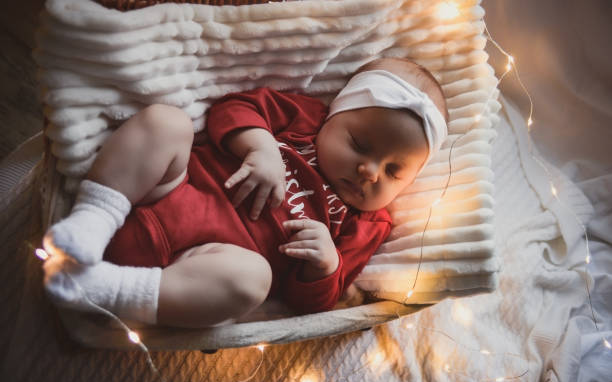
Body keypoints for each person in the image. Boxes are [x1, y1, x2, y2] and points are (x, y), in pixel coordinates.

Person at [41, 57, 448, 328]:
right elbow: (232, 108)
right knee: (167, 123)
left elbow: (315, 304)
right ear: (336, 115)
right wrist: (260, 146)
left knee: (253, 280)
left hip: (199, 264)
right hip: (166, 187)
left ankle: (106, 289)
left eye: (394, 171)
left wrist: (324, 264)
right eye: (359, 145)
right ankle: (92, 221)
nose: (370, 172)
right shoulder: (304, 118)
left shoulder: (369, 222)